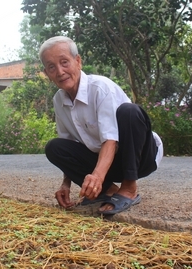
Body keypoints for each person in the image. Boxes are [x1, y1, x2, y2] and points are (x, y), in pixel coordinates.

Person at [40, 36, 163, 215]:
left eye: (64, 62)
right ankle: (108, 190)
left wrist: (96, 176)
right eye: (52, 67)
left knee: (129, 112)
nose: (60, 71)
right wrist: (65, 184)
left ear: (78, 61)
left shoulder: (100, 88)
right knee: (54, 147)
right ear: (47, 73)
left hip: (138, 157)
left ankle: (129, 188)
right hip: (106, 164)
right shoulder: (59, 100)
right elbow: (69, 143)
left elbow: (110, 139)